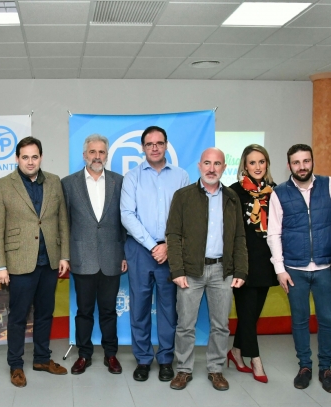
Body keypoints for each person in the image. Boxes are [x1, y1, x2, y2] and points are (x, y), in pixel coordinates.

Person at [0, 136, 70, 387]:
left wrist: (64, 255)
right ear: (17, 158)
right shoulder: (3, 185)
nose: (30, 161)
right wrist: (0, 265)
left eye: (35, 156)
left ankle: (42, 359)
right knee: (18, 316)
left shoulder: (54, 182)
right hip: (19, 261)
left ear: (41, 157)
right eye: (25, 157)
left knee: (45, 312)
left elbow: (62, 222)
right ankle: (15, 364)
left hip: (49, 261)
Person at [166, 148, 247, 391]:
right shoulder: (183, 196)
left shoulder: (232, 198)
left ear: (224, 167)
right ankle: (183, 370)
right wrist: (177, 270)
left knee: (221, 325)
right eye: (207, 163)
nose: (212, 168)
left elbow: (240, 237)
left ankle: (216, 369)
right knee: (185, 325)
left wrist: (241, 271)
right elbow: (173, 234)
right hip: (190, 271)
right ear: (199, 166)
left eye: (217, 164)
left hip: (223, 270)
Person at [267, 144, 331, 393]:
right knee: (299, 321)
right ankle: (305, 367)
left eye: (306, 161)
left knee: (327, 320)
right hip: (294, 269)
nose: (302, 166)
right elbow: (273, 233)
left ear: (312, 162)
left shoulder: (329, 185)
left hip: (325, 267)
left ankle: (326, 368)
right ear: (289, 166)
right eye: (296, 162)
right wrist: (280, 268)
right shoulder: (279, 193)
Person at [120, 126, 189, 382]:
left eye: (159, 143)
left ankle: (166, 359)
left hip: (172, 251)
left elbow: (185, 217)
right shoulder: (132, 177)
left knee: (169, 309)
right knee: (138, 307)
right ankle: (143, 359)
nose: (155, 148)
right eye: (149, 144)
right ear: (143, 147)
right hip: (140, 249)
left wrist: (169, 246)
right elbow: (127, 214)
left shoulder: (181, 176)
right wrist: (152, 245)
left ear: (166, 145)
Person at [61, 134, 127, 375]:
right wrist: (65, 256)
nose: (97, 156)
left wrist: (125, 253)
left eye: (101, 152)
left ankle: (111, 355)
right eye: (92, 152)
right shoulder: (68, 184)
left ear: (106, 155)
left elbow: (125, 221)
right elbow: (64, 222)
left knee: (109, 310)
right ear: (84, 155)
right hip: (82, 257)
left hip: (112, 257)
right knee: (84, 311)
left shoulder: (119, 182)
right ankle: (84, 355)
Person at [227, 144, 278, 383]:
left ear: (267, 164)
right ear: (244, 166)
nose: (257, 167)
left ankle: (236, 352)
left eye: (261, 162)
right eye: (252, 162)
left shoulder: (275, 191)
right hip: (243, 262)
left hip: (267, 262)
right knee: (247, 314)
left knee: (253, 314)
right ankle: (255, 359)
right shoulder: (234, 192)